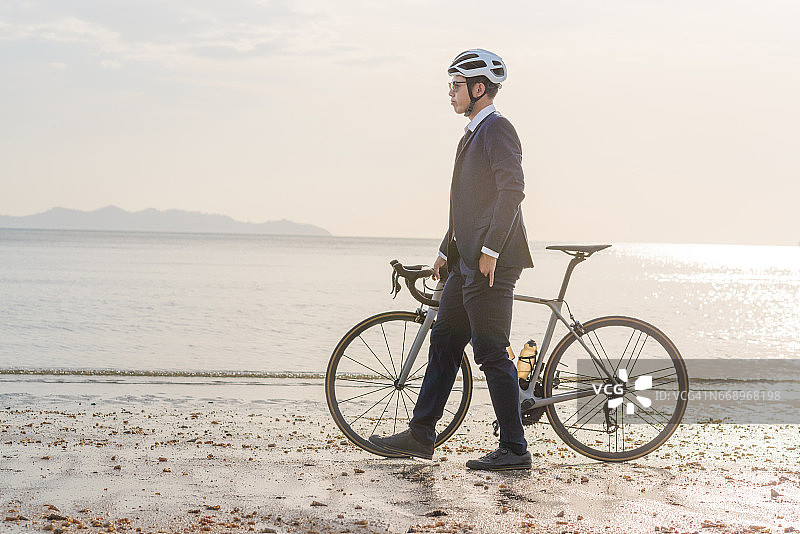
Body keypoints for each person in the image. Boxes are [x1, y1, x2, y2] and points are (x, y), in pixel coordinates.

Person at [370, 49, 534, 471]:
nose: (450, 93)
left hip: (492, 261)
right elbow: (469, 204)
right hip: (468, 259)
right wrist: (447, 248)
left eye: (456, 85)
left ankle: (515, 449)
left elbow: (512, 190)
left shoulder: (498, 129)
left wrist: (491, 250)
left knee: (491, 351)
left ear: (479, 89)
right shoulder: (473, 134)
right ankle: (421, 434)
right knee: (444, 340)